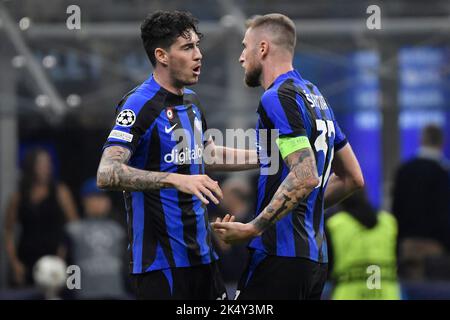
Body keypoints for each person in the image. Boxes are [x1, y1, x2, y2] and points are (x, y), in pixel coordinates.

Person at [96, 10, 258, 300]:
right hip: (161, 266)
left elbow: (205, 154)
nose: (198, 55)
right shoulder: (139, 104)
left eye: (197, 45)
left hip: (204, 257)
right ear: (162, 55)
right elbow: (107, 172)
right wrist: (176, 180)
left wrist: (270, 155)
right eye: (187, 48)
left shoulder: (192, 103)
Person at [212, 13, 364, 300]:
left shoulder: (276, 97)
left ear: (263, 48)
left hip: (279, 258)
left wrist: (253, 227)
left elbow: (305, 176)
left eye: (245, 47)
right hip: (315, 261)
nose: (241, 57)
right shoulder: (316, 98)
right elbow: (353, 178)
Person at [4, 147, 79, 286]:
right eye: (41, 164)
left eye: (48, 164)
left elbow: (74, 226)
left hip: (56, 257)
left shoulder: (60, 191)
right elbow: (8, 230)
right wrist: (14, 262)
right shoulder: (19, 197)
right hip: (26, 258)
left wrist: (62, 254)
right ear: (31, 167)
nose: (46, 168)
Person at [392, 124, 450, 278]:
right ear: (441, 142)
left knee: (412, 289)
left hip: (408, 245)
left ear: (421, 140)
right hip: (437, 247)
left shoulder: (404, 171)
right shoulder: (444, 174)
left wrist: (398, 244)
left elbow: (396, 210)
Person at [325, 189, 400, 300]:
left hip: (348, 295)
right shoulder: (389, 222)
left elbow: (326, 268)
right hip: (387, 294)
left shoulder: (335, 224)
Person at [65, 178, 128, 299]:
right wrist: (73, 292)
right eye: (95, 197)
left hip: (116, 294)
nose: (101, 202)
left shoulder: (118, 230)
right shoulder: (74, 230)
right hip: (86, 295)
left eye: (103, 198)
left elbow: (127, 264)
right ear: (84, 201)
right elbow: (68, 265)